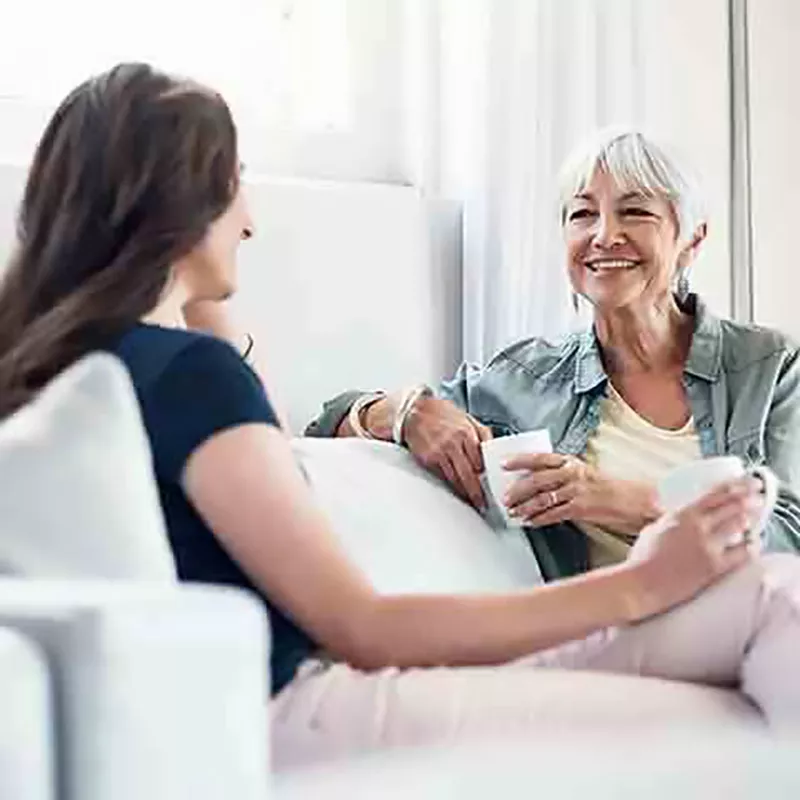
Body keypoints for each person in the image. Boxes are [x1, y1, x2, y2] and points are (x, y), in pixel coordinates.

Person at [0, 64, 798, 769]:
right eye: (235, 182)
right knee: (730, 718)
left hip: (289, 696)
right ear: (179, 205)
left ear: (691, 239)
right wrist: (643, 582)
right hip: (308, 704)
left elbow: (264, 430)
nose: (251, 219)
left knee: (777, 599)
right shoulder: (186, 378)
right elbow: (363, 622)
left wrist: (189, 287)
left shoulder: (82, 368)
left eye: (635, 213)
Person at [307, 128, 800, 579]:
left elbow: (789, 537)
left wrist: (618, 499)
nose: (605, 235)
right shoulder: (526, 381)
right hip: (613, 638)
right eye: (583, 214)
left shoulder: (772, 366)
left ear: (692, 239)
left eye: (635, 211)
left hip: (755, 608)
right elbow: (324, 427)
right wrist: (405, 413)